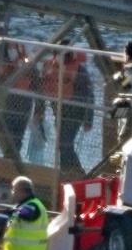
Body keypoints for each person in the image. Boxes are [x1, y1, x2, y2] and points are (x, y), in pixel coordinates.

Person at [38, 45, 94, 176]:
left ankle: (78, 173)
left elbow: (89, 96)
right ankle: (67, 172)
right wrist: (39, 110)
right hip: (58, 111)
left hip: (75, 112)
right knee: (62, 144)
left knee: (65, 143)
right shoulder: (50, 67)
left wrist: (88, 120)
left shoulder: (80, 71)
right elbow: (42, 88)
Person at [3, 176, 48, 250]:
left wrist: (9, 211)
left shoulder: (33, 205)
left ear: (21, 191)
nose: (12, 193)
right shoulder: (23, 205)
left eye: (14, 190)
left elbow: (27, 213)